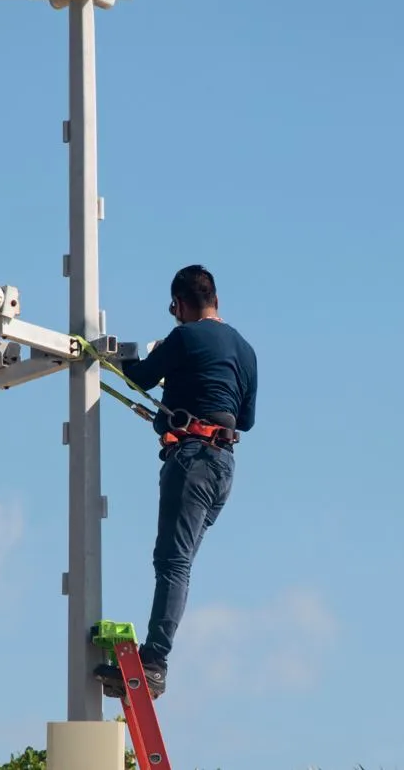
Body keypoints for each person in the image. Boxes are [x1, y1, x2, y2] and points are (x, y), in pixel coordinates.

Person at [93, 264, 258, 699]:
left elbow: (140, 378)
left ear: (178, 305)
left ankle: (155, 662)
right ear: (216, 299)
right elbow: (246, 419)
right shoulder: (245, 350)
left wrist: (119, 356)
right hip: (224, 467)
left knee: (173, 562)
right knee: (179, 563)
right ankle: (154, 658)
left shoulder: (183, 337)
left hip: (193, 459)